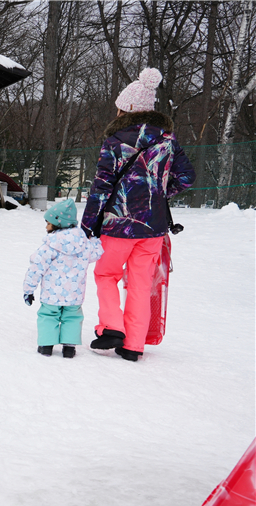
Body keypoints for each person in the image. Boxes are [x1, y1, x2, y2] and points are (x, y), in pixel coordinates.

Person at [80, 68, 194, 362]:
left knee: (106, 274)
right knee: (141, 284)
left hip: (118, 224)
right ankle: (133, 345)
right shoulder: (168, 141)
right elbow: (187, 177)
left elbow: (102, 185)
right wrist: (157, 194)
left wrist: (87, 224)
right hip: (153, 228)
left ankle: (112, 327)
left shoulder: (115, 140)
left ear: (127, 108)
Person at [24, 198, 104, 358]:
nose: (46, 226)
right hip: (75, 294)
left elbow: (36, 268)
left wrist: (28, 290)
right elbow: (97, 253)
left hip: (50, 295)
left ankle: (46, 346)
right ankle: (69, 348)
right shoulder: (84, 244)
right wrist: (95, 240)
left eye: (48, 223)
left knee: (48, 316)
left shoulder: (50, 246)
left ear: (59, 223)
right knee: (73, 318)